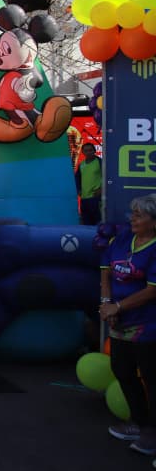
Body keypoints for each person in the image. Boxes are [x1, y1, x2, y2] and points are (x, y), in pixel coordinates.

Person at [101, 194, 156, 454]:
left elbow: (152, 290)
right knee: (122, 370)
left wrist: (119, 306)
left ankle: (153, 433)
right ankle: (139, 422)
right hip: (119, 319)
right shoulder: (123, 238)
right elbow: (106, 270)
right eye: (132, 213)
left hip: (147, 323)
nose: (132, 218)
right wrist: (107, 302)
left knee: (151, 377)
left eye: (139, 215)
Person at [75, 143, 102, 225]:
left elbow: (108, 177)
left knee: (97, 222)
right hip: (84, 198)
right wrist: (79, 190)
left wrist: (102, 189)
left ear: (95, 151)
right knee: (86, 222)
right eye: (86, 151)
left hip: (95, 198)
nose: (88, 152)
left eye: (90, 150)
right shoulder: (81, 164)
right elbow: (77, 178)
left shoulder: (100, 162)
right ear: (83, 152)